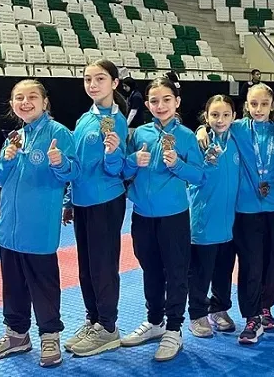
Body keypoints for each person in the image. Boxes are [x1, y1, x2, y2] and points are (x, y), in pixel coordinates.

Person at [0, 80, 79, 367]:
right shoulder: (15, 137)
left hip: (38, 228)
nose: (25, 102)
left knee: (43, 286)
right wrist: (6, 159)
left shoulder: (58, 133)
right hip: (9, 227)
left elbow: (73, 173)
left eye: (32, 96)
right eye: (19, 98)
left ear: (44, 102)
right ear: (12, 105)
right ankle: (16, 335)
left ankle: (50, 336)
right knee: (12, 286)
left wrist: (60, 162)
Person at [120, 77, 203, 362]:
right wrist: (133, 161)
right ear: (147, 104)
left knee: (176, 272)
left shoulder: (187, 136)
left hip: (173, 217)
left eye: (167, 99)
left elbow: (199, 176)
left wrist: (178, 165)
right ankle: (155, 321)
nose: (161, 105)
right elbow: (124, 171)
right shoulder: (139, 134)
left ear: (177, 102)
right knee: (150, 270)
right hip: (142, 215)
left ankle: (174, 329)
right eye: (154, 101)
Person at [61, 60, 129, 357]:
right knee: (86, 267)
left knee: (103, 266)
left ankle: (108, 327)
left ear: (114, 83)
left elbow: (118, 169)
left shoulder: (116, 121)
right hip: (82, 201)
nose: (92, 84)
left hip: (105, 201)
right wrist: (69, 200)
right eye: (88, 79)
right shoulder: (85, 118)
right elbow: (77, 163)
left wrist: (112, 153)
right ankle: (93, 320)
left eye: (100, 79)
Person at [230, 84, 274, 344]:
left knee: (271, 261)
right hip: (246, 207)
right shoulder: (237, 128)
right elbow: (215, 126)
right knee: (250, 262)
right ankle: (251, 316)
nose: (259, 109)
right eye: (253, 104)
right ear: (246, 105)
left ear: (272, 106)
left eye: (264, 104)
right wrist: (201, 130)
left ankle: (265, 307)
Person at [187, 95, 239, 339]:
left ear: (234, 117)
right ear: (206, 117)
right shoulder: (198, 143)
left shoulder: (237, 139)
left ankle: (219, 309)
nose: (220, 120)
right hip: (204, 220)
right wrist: (199, 131)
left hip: (230, 222)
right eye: (215, 115)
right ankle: (197, 313)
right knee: (201, 271)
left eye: (226, 115)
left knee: (224, 270)